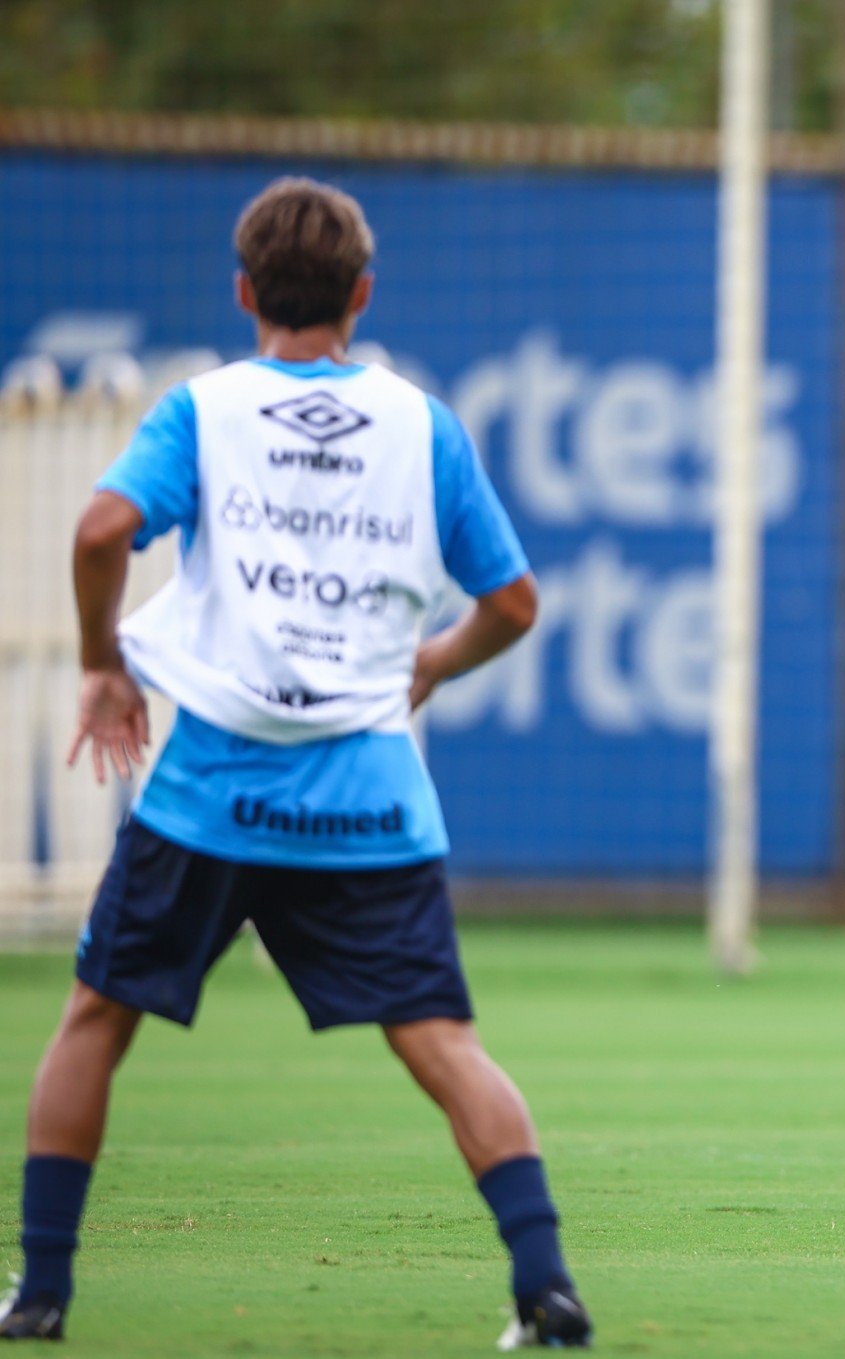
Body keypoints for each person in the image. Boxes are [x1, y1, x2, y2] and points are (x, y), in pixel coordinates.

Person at [0, 177, 591, 1347]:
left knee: (92, 1021)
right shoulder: (424, 425)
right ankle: (546, 1288)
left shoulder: (204, 409)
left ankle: (41, 1296)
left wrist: (102, 665)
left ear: (244, 291)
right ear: (362, 296)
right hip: (367, 790)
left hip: (213, 786)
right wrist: (428, 665)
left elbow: (97, 531)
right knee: (442, 1043)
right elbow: (515, 604)